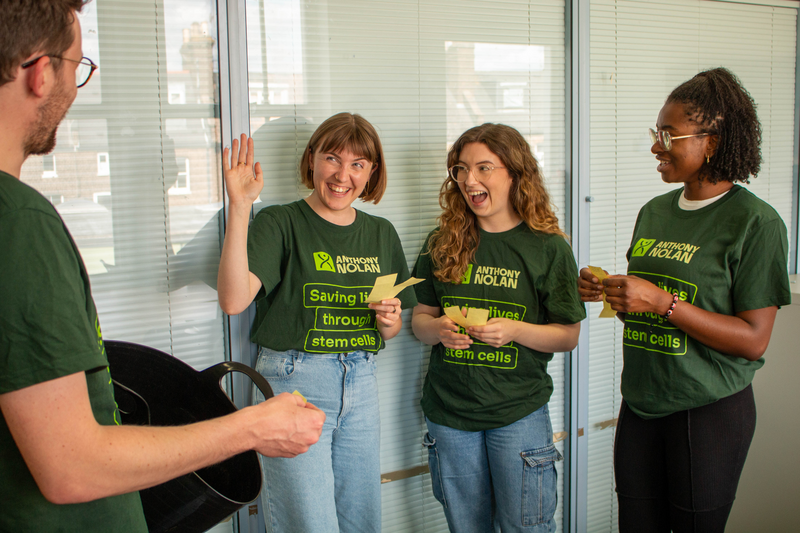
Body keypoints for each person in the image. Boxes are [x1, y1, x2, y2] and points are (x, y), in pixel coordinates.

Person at [0, 2, 325, 531]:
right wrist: (250, 428)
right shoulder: (19, 221)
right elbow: (72, 466)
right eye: (79, 68)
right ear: (41, 72)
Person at [578, 68, 791, 533]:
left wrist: (662, 303)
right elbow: (646, 302)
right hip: (641, 400)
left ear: (711, 141)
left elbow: (754, 341)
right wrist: (609, 292)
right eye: (656, 133)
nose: (656, 145)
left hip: (708, 410)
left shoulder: (756, 223)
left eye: (668, 134)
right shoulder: (654, 211)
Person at [217, 113, 417, 533]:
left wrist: (389, 320)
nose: (342, 175)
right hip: (296, 384)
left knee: (363, 522)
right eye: (332, 158)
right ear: (312, 161)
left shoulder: (381, 233)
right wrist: (240, 207)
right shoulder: (280, 222)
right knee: (309, 525)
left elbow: (391, 329)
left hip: (361, 383)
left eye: (358, 164)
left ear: (371, 173)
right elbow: (234, 300)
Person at [411, 123, 585, 533]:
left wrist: (515, 330)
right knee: (466, 527)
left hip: (518, 414)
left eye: (484, 168)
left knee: (527, 526)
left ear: (515, 172)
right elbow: (419, 320)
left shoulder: (548, 247)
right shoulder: (442, 240)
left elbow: (569, 335)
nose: (470, 180)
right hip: (449, 414)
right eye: (461, 169)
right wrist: (438, 329)